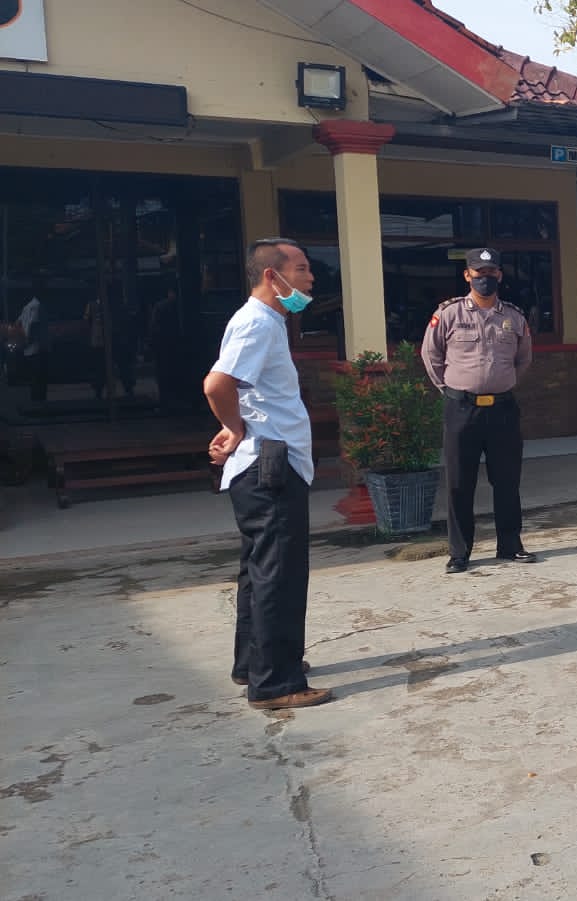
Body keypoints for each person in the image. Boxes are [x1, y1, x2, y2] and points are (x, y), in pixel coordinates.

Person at [202, 238, 330, 710]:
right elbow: (217, 384)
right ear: (272, 277)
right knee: (280, 575)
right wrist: (235, 429)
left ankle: (254, 664)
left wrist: (233, 425)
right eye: (302, 268)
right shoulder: (257, 322)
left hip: (265, 460)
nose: (311, 278)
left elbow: (242, 392)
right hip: (269, 465)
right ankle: (277, 683)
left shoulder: (266, 322)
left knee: (260, 572)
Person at [421, 248, 537, 574]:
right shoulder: (448, 314)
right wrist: (451, 390)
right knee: (460, 483)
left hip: (502, 410)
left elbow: (523, 359)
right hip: (461, 409)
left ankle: (510, 545)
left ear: (499, 275)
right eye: (479, 273)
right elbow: (431, 355)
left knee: (507, 480)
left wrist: (502, 383)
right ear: (467, 275)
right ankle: (459, 553)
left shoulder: (514, 317)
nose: (485, 278)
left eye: (490, 272)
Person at [17, 292, 48, 403]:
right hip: (37, 348)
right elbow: (34, 325)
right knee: (40, 378)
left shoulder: (26, 307)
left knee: (33, 378)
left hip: (28, 350)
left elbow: (18, 323)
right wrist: (28, 340)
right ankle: (40, 402)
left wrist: (22, 341)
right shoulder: (38, 306)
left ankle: (34, 401)